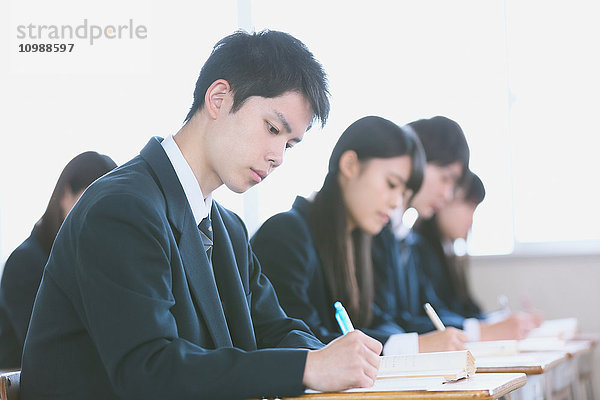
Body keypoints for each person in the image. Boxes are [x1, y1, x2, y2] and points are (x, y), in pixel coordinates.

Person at [20, 30, 383, 400]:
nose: (278, 156)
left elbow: (273, 329)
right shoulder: (121, 209)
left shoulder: (227, 229)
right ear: (219, 98)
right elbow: (150, 370)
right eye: (272, 129)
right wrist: (309, 367)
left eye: (289, 144)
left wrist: (328, 355)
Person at [251, 116, 467, 355]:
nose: (396, 203)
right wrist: (410, 346)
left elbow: (377, 319)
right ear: (350, 165)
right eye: (391, 184)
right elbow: (298, 341)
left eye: (404, 193)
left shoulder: (359, 240)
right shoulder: (286, 234)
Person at [373, 116, 538, 341]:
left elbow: (424, 313)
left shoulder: (402, 236)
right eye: (445, 179)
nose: (447, 195)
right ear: (415, 161)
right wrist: (479, 331)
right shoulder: (391, 235)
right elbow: (394, 321)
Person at [0, 151, 117, 369]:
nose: (102, 214)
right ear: (65, 195)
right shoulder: (25, 262)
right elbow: (46, 349)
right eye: (91, 201)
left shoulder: (92, 260)